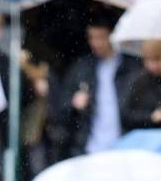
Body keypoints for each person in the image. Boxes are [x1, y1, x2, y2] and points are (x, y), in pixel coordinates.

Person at [53, 14, 133, 158]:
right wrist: (73, 104)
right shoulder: (81, 68)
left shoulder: (131, 67)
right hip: (89, 147)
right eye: (91, 37)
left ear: (113, 36)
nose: (96, 43)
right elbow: (61, 108)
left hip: (124, 146)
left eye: (101, 37)